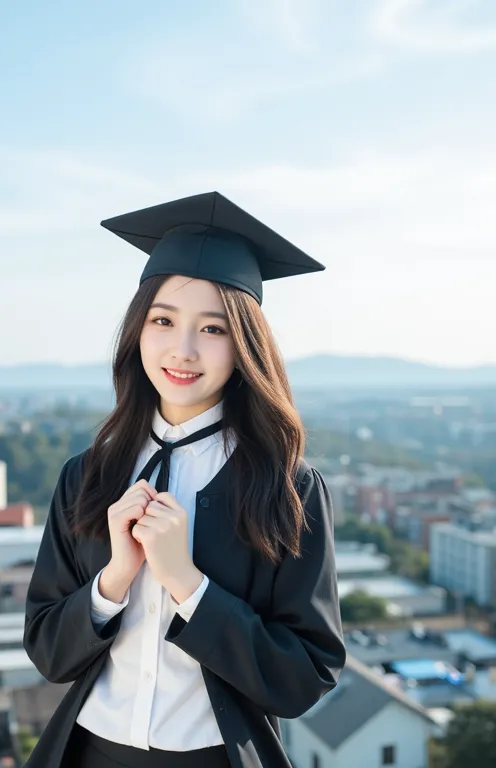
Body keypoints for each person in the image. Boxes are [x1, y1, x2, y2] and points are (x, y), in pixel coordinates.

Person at [23, 191, 347, 768]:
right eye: (163, 320)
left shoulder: (287, 490)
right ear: (137, 331)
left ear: (245, 345)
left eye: (214, 329)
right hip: (90, 753)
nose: (184, 349)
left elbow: (304, 676)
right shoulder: (88, 476)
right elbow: (49, 651)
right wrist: (116, 578)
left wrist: (187, 583)